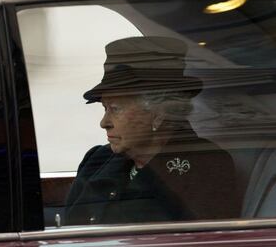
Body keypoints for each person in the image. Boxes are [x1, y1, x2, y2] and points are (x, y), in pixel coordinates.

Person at [65, 36, 241, 225]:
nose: (104, 122)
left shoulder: (206, 166)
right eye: (104, 108)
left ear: (158, 114)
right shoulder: (97, 159)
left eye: (115, 109)